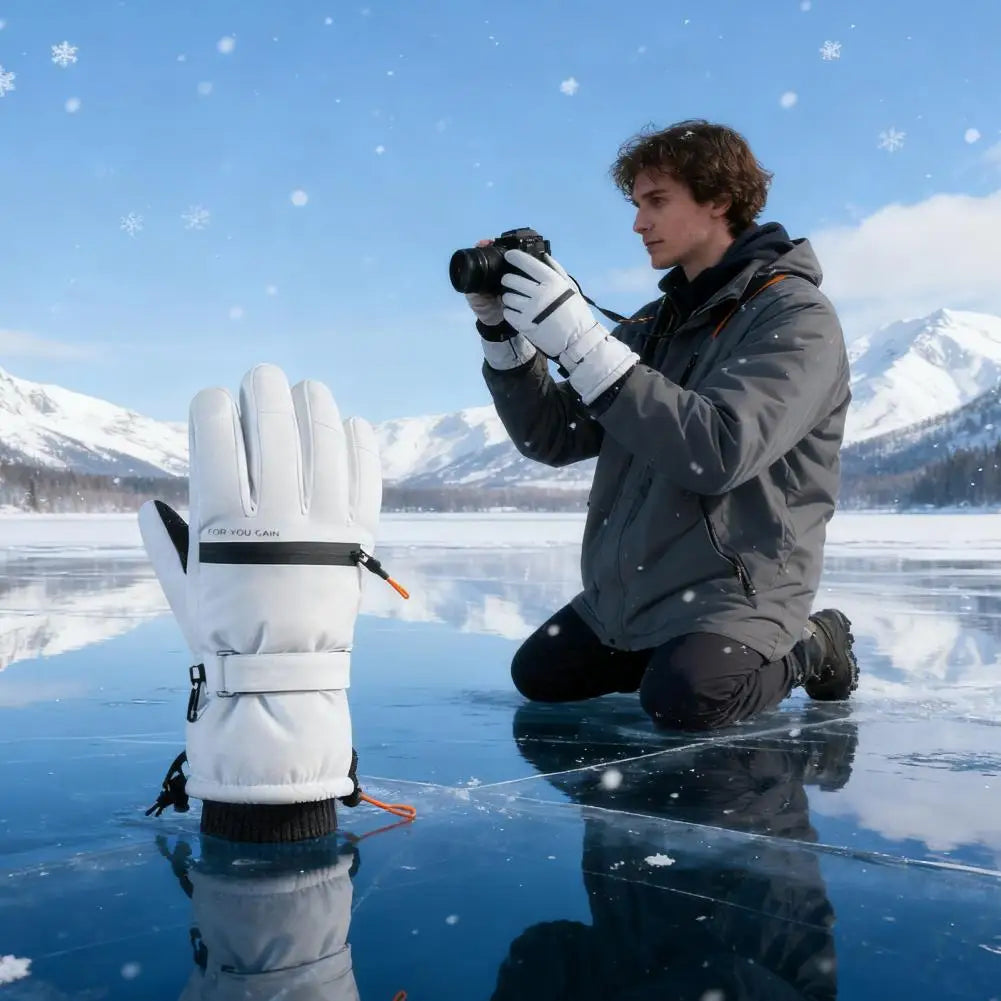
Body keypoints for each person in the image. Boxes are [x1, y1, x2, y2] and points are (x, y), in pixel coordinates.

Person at [465, 119, 858, 732]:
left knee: (688, 701)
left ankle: (813, 641)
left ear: (718, 199)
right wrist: (503, 338)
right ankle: (670, 654)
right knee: (540, 677)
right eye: (636, 204)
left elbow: (720, 450)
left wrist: (584, 343)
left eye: (656, 201)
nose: (638, 223)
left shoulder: (796, 315)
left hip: (739, 590)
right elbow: (556, 436)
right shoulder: (656, 322)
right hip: (639, 588)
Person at [489, 701, 857, 1000]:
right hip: (737, 807)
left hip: (630, 809)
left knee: (541, 725)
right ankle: (805, 657)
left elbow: (546, 949)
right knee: (694, 697)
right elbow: (725, 983)